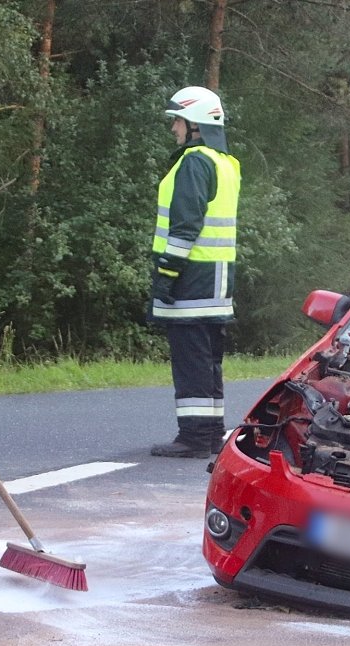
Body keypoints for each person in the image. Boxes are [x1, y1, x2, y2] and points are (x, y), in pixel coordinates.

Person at [148, 86, 241, 459]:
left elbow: (185, 227)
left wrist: (166, 275)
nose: (174, 128)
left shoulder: (195, 162)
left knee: (191, 362)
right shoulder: (225, 162)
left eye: (177, 120)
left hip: (192, 281)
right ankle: (210, 431)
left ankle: (195, 437)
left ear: (195, 124)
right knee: (207, 361)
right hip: (216, 281)